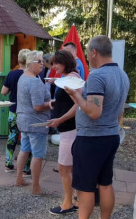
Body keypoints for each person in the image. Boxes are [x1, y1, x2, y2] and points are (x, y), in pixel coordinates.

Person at [65, 35, 129, 219]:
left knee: (85, 187)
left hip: (92, 139)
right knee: (105, 183)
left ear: (94, 52)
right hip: (111, 135)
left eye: (87, 53)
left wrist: (75, 95)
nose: (87, 57)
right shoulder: (122, 75)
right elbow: (115, 109)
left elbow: (94, 112)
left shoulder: (97, 76)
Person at [47, 50, 82, 215]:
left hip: (70, 129)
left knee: (64, 168)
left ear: (65, 62)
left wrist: (60, 119)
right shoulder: (69, 78)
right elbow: (71, 101)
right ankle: (76, 200)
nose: (53, 67)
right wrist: (57, 103)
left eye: (56, 63)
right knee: (70, 167)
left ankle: (68, 203)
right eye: (52, 63)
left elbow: (78, 105)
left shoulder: (72, 79)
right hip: (69, 129)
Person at [15, 50, 53, 196]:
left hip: (23, 121)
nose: (42, 65)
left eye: (43, 61)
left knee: (24, 150)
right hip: (37, 123)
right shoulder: (35, 81)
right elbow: (37, 106)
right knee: (37, 154)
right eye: (40, 62)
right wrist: (51, 104)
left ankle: (19, 179)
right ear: (30, 63)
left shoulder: (23, 77)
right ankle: (36, 187)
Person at [1, 48, 30, 173]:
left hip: (13, 111)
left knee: (12, 136)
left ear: (18, 60)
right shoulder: (33, 75)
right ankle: (25, 167)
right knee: (27, 138)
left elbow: (3, 92)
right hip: (28, 112)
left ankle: (8, 163)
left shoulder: (12, 74)